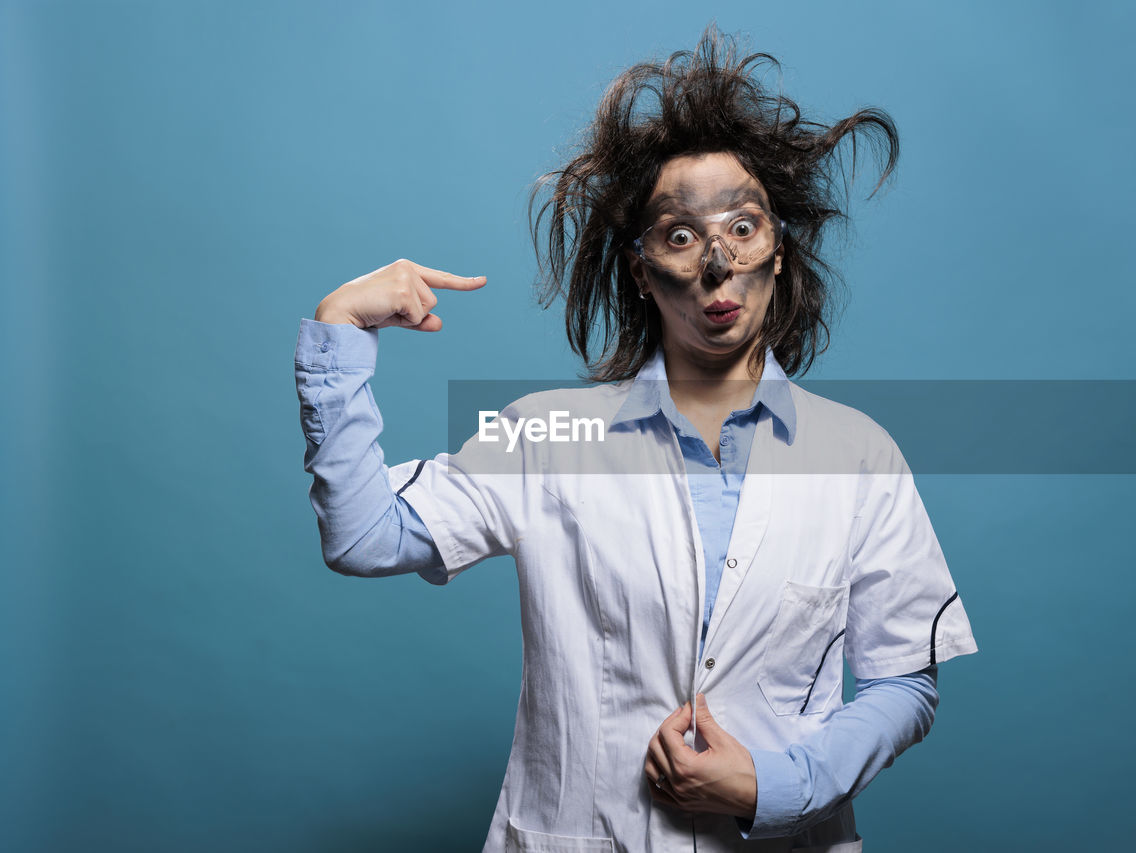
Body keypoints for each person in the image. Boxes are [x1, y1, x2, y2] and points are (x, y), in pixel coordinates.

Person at [295, 25, 978, 852]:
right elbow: (362, 536)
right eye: (680, 235)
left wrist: (776, 783)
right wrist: (341, 338)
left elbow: (905, 679)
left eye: (743, 226)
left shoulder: (860, 454)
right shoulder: (547, 435)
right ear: (641, 268)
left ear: (779, 248)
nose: (716, 264)